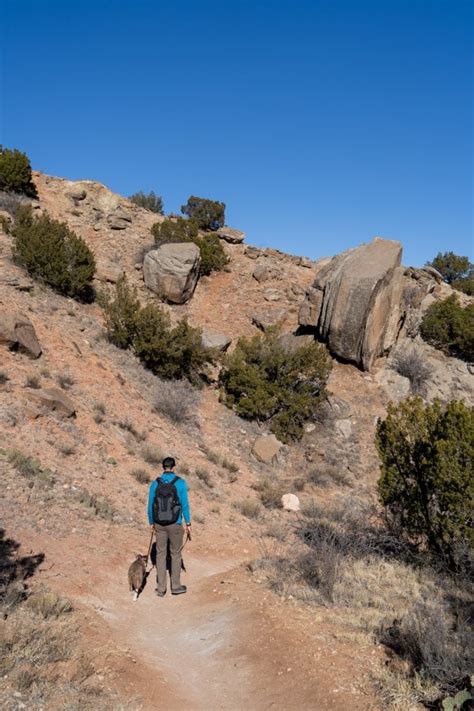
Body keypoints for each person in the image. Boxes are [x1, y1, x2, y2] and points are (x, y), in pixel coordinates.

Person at [147, 456, 191, 596]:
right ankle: (176, 586)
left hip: (159, 524)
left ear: (163, 467)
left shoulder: (155, 484)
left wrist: (151, 522)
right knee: (176, 554)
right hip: (175, 524)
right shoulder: (180, 483)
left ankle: (161, 589)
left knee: (160, 555)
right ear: (173, 467)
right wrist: (188, 523)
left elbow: (150, 506)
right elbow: (185, 505)